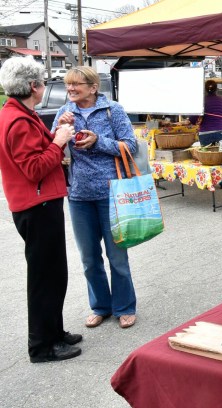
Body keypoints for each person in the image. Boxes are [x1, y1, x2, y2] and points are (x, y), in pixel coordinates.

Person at [0, 57, 81, 363]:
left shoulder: (19, 113)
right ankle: (42, 346)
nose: (44, 86)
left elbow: (35, 151)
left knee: (53, 273)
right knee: (45, 277)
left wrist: (56, 132)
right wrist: (59, 142)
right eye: (42, 82)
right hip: (36, 205)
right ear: (32, 86)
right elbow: (34, 168)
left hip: (39, 203)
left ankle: (54, 333)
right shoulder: (18, 120)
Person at [52, 66, 139, 330]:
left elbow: (130, 146)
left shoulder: (113, 110)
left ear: (92, 87)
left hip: (111, 193)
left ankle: (124, 306)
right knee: (89, 258)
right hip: (78, 195)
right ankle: (100, 306)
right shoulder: (64, 112)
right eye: (68, 85)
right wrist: (59, 128)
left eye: (76, 84)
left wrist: (97, 140)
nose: (70, 89)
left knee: (117, 257)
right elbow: (52, 145)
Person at [190, 79, 222, 146]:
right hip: (220, 132)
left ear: (205, 89)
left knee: (208, 155)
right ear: (216, 89)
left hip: (205, 134)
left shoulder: (201, 101)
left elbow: (193, 119)